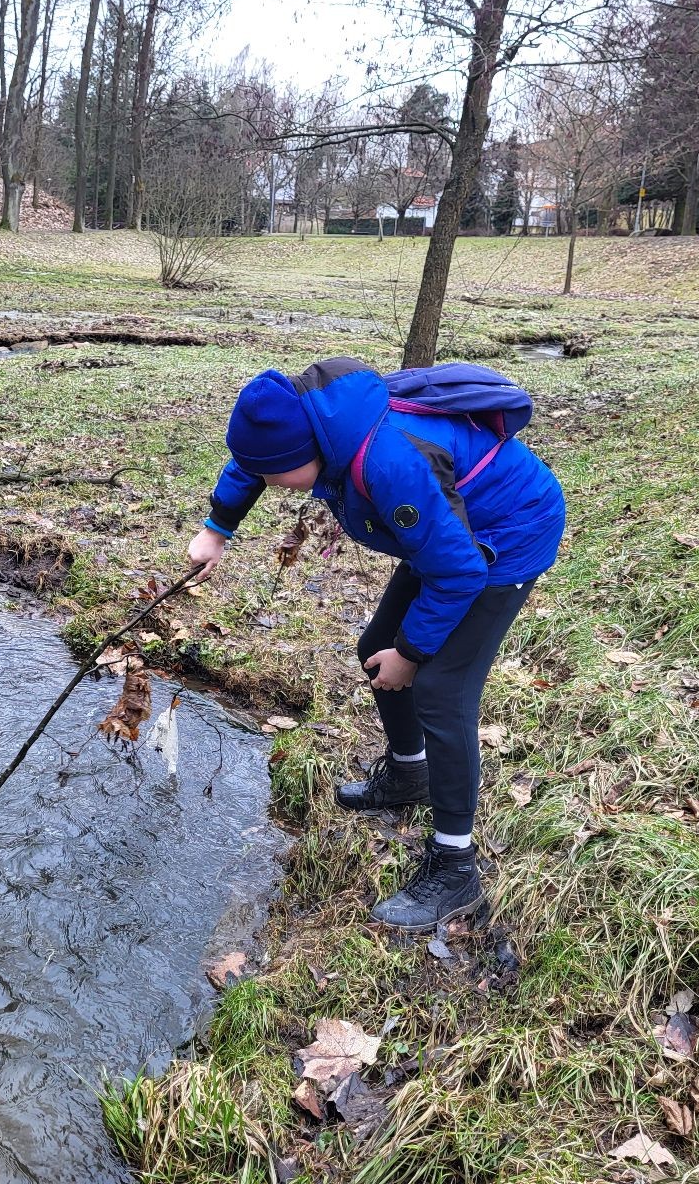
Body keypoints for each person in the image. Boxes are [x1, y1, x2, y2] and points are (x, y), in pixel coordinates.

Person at [187, 356, 565, 931]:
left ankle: (455, 867)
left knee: (441, 690)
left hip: (502, 539)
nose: (272, 485)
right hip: (445, 533)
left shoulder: (391, 463)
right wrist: (216, 529)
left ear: (308, 450)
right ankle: (410, 774)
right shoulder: (308, 420)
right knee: (376, 645)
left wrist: (410, 656)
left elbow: (459, 572)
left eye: (278, 475)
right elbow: (255, 461)